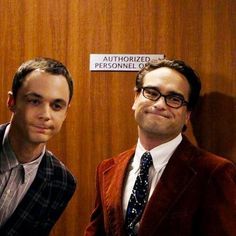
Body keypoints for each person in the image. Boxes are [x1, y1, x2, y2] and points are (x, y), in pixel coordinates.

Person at [84, 59, 236, 236]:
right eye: (151, 92)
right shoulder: (108, 169)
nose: (159, 104)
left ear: (187, 114)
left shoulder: (214, 172)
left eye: (174, 99)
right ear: (135, 98)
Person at [0, 57, 77, 235]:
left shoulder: (62, 182)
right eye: (35, 101)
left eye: (57, 106)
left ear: (65, 113)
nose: (45, 115)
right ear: (12, 102)